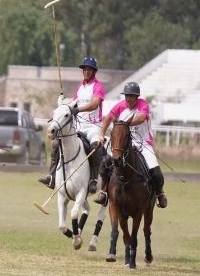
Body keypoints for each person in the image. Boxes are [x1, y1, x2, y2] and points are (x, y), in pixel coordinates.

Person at [93, 82, 168, 208]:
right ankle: (103, 192)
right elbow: (108, 118)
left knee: (156, 172)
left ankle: (160, 194)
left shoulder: (143, 105)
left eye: (131, 96)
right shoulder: (121, 106)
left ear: (136, 97)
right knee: (105, 163)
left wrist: (124, 125)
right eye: (126, 96)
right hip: (123, 145)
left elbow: (142, 118)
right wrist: (101, 134)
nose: (128, 99)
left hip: (143, 143)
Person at [38, 56, 105, 194]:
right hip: (79, 124)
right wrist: (64, 103)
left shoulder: (97, 86)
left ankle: (93, 179)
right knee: (57, 143)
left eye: (89, 69)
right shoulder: (81, 86)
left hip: (93, 126)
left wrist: (78, 109)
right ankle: (52, 176)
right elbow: (74, 102)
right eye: (84, 69)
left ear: (94, 71)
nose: (86, 71)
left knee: (95, 147)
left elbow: (95, 103)